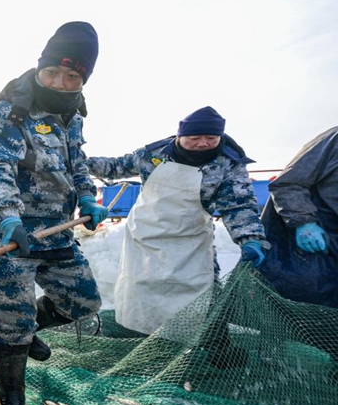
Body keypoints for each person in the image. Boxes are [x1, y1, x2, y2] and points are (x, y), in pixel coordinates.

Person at [0, 21, 108, 405]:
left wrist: (86, 195)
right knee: (12, 320)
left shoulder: (74, 115)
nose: (60, 82)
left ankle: (27, 333)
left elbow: (76, 163)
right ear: (40, 66)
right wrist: (9, 217)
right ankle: (11, 401)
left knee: (83, 303)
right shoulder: (12, 109)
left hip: (57, 231)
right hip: (9, 235)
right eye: (53, 72)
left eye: (72, 76)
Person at [86, 107, 269, 365]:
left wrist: (250, 237)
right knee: (145, 291)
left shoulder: (228, 164)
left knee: (203, 292)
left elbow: (239, 205)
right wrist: (78, 162)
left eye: (211, 138)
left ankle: (218, 347)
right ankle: (149, 344)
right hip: (147, 235)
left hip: (190, 238)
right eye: (196, 138)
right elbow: (116, 166)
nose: (203, 143)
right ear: (180, 136)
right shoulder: (155, 153)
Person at [257, 126, 337, 375]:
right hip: (310, 237)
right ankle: (268, 360)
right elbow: (288, 183)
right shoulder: (333, 140)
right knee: (300, 296)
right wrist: (303, 222)